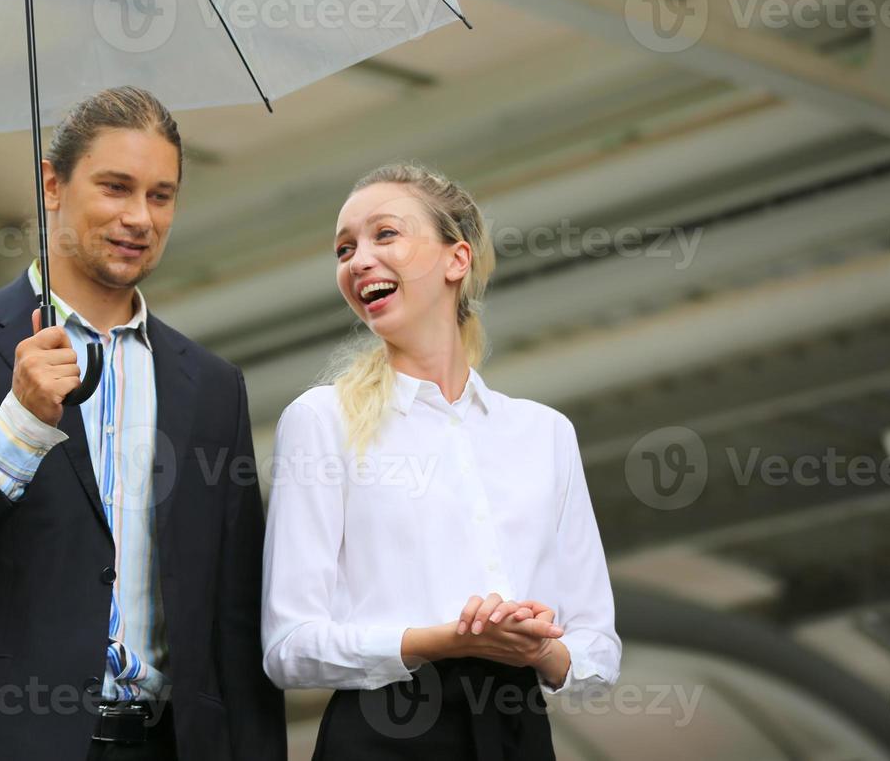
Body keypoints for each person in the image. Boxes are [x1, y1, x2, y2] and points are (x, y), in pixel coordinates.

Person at [0, 87, 286, 761]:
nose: (138, 216)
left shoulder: (212, 386)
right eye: (115, 187)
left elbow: (235, 615)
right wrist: (17, 421)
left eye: (160, 195)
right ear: (51, 184)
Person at [261, 162, 621, 760]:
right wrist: (446, 639)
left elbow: (598, 653)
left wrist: (537, 649)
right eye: (344, 248)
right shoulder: (321, 419)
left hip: (516, 733)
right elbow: (290, 647)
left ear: (457, 260)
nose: (358, 260)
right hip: (386, 731)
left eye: (385, 235)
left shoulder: (545, 433)